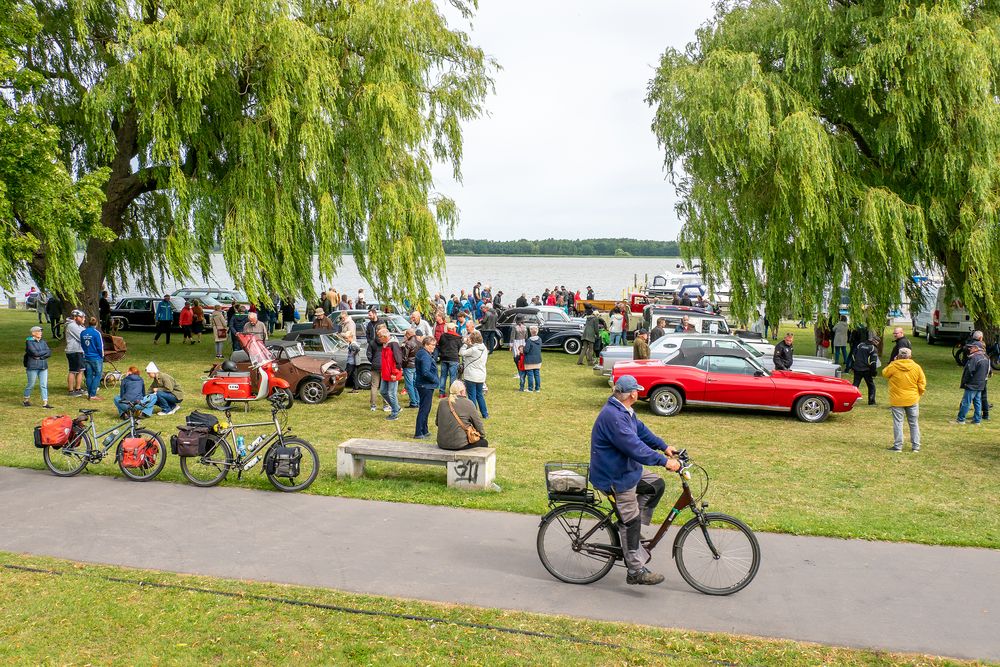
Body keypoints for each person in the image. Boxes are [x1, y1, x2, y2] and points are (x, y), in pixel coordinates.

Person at [590, 374, 680, 586]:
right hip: (615, 476)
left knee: (656, 485)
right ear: (632, 394)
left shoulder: (624, 411)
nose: (638, 392)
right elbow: (635, 447)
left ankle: (632, 529)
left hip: (627, 470)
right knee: (630, 521)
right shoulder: (614, 417)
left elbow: (641, 432)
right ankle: (635, 570)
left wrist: (663, 446)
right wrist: (664, 462)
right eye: (636, 390)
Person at [882, 348, 925, 452]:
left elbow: (884, 373)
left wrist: (893, 361)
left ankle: (898, 446)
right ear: (910, 356)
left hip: (897, 400)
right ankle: (916, 446)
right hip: (912, 398)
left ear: (898, 356)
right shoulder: (916, 367)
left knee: (898, 422)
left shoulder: (893, 365)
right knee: (914, 423)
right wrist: (918, 394)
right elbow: (922, 383)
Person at [436, 380, 488, 450]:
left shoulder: (442, 402)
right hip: (459, 444)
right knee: (484, 442)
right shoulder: (468, 403)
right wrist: (481, 435)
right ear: (462, 391)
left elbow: (437, 423)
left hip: (442, 443)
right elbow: (478, 424)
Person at [956, 336, 990, 425]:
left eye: (971, 347)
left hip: (972, 384)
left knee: (966, 402)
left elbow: (969, 372)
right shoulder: (985, 357)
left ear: (976, 348)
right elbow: (988, 371)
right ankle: (977, 420)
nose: (970, 349)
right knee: (978, 402)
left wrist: (965, 382)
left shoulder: (974, 358)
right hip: (980, 384)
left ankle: (961, 419)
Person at [23, 325, 53, 409]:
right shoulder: (29, 342)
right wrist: (42, 353)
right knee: (31, 384)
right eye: (38, 331)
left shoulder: (43, 341)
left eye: (40, 331)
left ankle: (45, 402)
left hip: (43, 366)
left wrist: (41, 357)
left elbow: (49, 352)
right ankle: (26, 399)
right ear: (33, 333)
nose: (40, 333)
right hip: (32, 366)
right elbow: (34, 353)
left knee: (44, 385)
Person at [460, 330, 489, 418]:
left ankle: (473, 415)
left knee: (472, 396)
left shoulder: (473, 350)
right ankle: (485, 414)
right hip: (481, 375)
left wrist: (465, 344)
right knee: (479, 395)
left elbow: (461, 353)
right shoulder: (484, 348)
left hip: (471, 375)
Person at [414, 337, 438, 439]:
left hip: (424, 385)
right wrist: (435, 379)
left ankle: (425, 430)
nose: (434, 347)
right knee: (424, 409)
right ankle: (419, 432)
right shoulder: (425, 356)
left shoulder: (422, 353)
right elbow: (425, 372)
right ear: (426, 345)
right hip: (425, 385)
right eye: (432, 345)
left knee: (426, 408)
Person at [378, 329, 403, 420]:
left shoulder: (394, 344)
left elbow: (398, 360)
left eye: (380, 337)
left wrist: (394, 373)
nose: (379, 339)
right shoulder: (385, 345)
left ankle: (394, 413)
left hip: (392, 373)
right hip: (385, 373)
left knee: (391, 393)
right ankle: (396, 407)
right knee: (383, 391)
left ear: (385, 337)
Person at [80, 317, 104, 400]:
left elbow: (82, 344)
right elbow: (100, 346)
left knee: (89, 375)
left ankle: (89, 394)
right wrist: (102, 356)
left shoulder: (83, 332)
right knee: (98, 374)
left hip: (86, 356)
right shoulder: (97, 333)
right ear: (96, 324)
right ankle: (93, 394)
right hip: (96, 357)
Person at [851, 333, 878, 405]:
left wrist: (854, 365)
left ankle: (851, 400)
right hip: (866, 370)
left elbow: (853, 355)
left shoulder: (860, 345)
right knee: (871, 385)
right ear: (875, 341)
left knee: (855, 385)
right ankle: (871, 402)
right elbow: (873, 362)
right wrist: (874, 372)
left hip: (857, 368)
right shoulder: (873, 348)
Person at [438, 322, 463, 397]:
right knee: (453, 376)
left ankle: (441, 393)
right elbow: (460, 347)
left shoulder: (443, 336)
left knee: (443, 376)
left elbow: (440, 345)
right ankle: (452, 393)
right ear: (453, 329)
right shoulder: (457, 337)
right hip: (453, 358)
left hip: (444, 358)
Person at [64, 309, 86, 396]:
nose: (84, 319)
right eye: (82, 317)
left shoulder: (79, 325)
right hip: (73, 351)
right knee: (73, 371)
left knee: (80, 370)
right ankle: (71, 390)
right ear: (75, 317)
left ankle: (78, 388)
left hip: (79, 350)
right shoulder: (72, 325)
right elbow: (82, 337)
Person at [367, 323, 387, 412]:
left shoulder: (372, 342)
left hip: (375, 365)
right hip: (385, 365)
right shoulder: (386, 342)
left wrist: (373, 361)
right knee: (385, 386)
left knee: (374, 386)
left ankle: (373, 405)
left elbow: (368, 354)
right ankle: (386, 405)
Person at [401, 329, 420, 409]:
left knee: (409, 385)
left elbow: (404, 357)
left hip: (409, 366)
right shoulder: (419, 343)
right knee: (415, 384)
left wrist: (403, 366)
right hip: (416, 365)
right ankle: (418, 401)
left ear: (408, 335)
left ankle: (413, 402)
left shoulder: (408, 344)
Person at [521, 325, 542, 392]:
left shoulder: (529, 340)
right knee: (537, 374)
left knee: (530, 375)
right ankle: (537, 388)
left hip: (529, 360)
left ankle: (530, 388)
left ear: (530, 332)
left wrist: (523, 349)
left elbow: (526, 350)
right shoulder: (540, 339)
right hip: (538, 359)